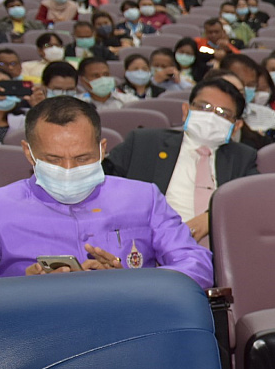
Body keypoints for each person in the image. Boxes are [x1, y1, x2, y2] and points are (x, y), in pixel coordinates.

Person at [0, 96, 212, 288]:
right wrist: (23, 289)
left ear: (102, 150)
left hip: (129, 327)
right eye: (54, 160)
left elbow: (196, 265)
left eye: (82, 158)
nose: (68, 170)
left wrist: (128, 281)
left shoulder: (144, 198)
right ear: (29, 153)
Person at [103, 78, 258, 245]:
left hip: (216, 253)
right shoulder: (144, 143)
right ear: (186, 111)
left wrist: (211, 217)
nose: (211, 117)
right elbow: (101, 183)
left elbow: (254, 201)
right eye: (203, 107)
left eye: (222, 113)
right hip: (146, 248)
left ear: (236, 127)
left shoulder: (242, 158)